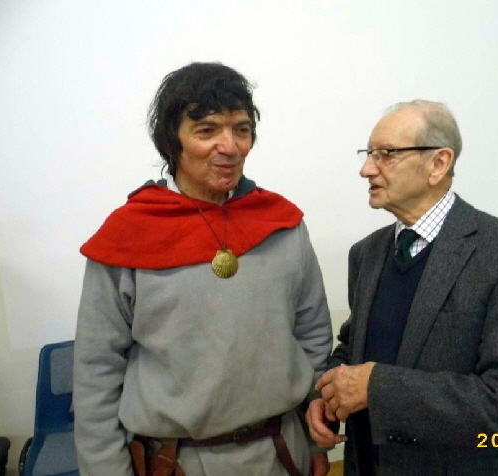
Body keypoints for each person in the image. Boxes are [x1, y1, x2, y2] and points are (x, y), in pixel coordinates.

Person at [74, 62, 333, 476]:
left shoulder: (281, 224)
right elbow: (96, 372)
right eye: (207, 130)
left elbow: (313, 338)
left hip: (283, 452)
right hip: (177, 461)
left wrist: (315, 440)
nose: (229, 146)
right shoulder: (128, 235)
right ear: (172, 140)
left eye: (241, 129)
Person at [306, 100, 498, 476]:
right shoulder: (367, 253)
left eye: (386, 154)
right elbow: (354, 344)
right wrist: (328, 393)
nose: (366, 169)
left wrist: (375, 388)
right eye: (368, 153)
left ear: (438, 163)